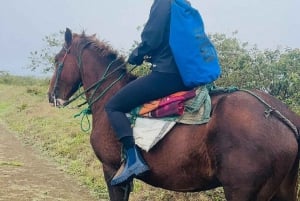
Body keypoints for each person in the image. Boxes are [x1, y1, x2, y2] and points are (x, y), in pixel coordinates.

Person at [105, 0, 192, 186]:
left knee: (113, 106)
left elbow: (152, 37)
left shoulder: (164, 2)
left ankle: (133, 160)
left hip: (167, 74)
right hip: (184, 74)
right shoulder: (182, 3)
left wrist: (136, 55)